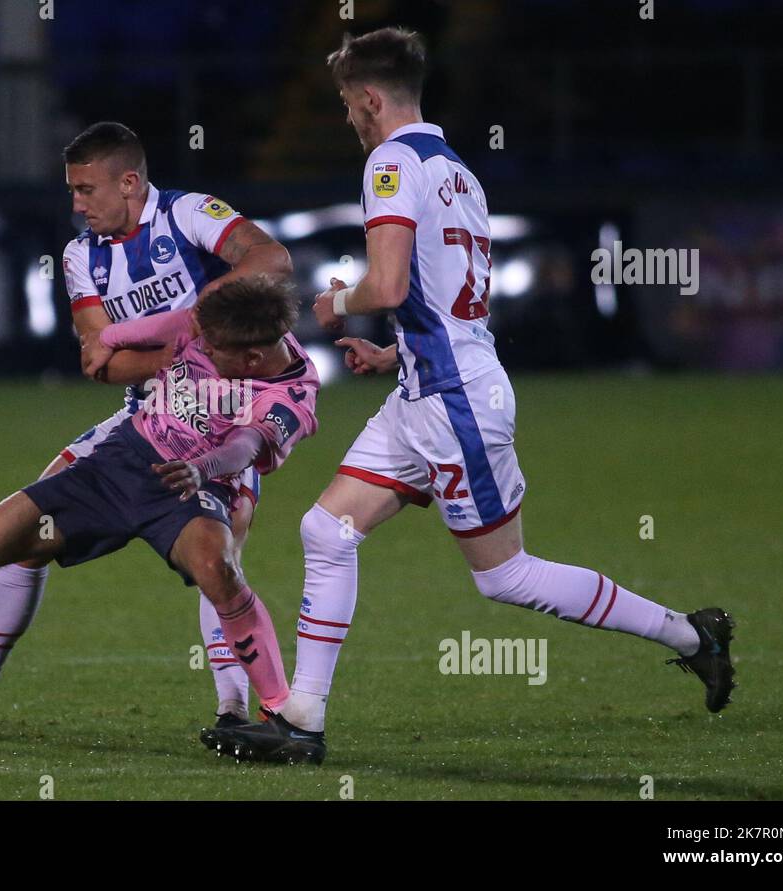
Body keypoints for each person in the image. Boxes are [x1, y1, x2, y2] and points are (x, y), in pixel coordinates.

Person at [209, 27, 735, 766]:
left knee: (506, 575)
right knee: (327, 531)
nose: (347, 120)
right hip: (430, 386)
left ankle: (694, 633)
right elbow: (452, 302)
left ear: (368, 99)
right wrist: (396, 348)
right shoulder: (456, 170)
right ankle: (303, 716)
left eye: (345, 105)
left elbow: (388, 286)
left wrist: (337, 306)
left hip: (453, 404)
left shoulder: (389, 162)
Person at [0, 122, 292, 741]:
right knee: (20, 535)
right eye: (71, 190)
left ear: (129, 182)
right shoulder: (81, 255)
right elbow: (101, 360)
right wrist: (192, 348)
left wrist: (194, 325)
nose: (76, 203)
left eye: (85, 189)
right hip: (138, 420)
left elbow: (271, 260)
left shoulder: (189, 216)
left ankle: (237, 713)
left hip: (221, 419)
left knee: (219, 559)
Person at [0, 277, 321, 748]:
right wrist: (108, 338)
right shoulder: (212, 329)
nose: (201, 350)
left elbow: (246, 443)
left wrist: (200, 467)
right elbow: (170, 327)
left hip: (190, 489)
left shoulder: (294, 394)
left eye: (214, 351)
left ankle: (281, 716)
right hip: (117, 464)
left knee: (221, 570)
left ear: (254, 358)